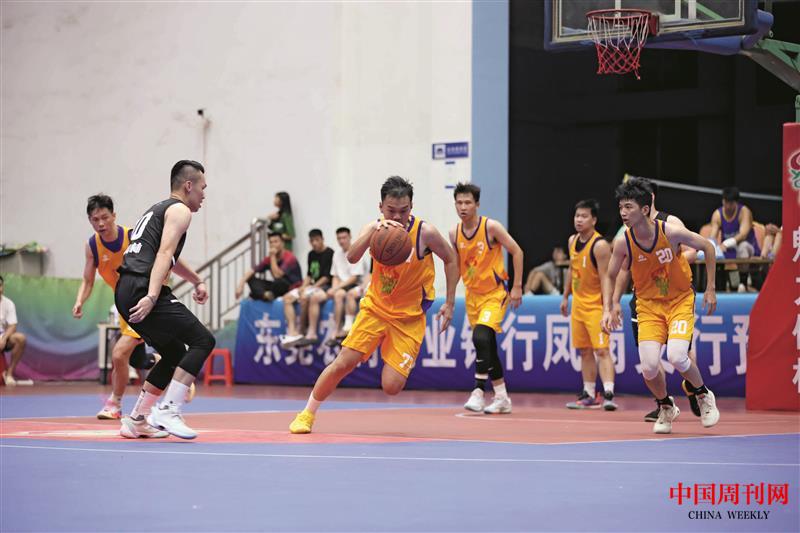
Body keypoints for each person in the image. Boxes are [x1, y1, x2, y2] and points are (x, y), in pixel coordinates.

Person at [288, 176, 459, 434]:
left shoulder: (425, 233)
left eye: (404, 211)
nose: (398, 216)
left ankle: (393, 353)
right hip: (376, 309)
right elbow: (352, 257)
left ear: (411, 207)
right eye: (391, 210)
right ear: (381, 207)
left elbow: (451, 259)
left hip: (408, 318)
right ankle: (306, 414)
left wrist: (450, 302)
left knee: (391, 387)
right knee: (342, 363)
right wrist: (372, 232)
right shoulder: (375, 229)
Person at [602, 180, 720, 434]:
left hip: (679, 300)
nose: (623, 212)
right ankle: (666, 406)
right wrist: (608, 307)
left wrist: (710, 289)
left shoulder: (671, 231)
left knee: (677, 356)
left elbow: (707, 247)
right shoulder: (623, 242)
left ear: (645, 209)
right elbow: (611, 275)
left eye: (629, 207)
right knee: (648, 367)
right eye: (621, 207)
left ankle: (703, 394)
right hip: (648, 306)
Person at [114, 160, 216, 440]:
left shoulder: (158, 209)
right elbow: (164, 254)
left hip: (125, 288)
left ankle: (137, 420)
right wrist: (152, 295)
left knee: (173, 354)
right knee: (203, 340)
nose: (204, 195)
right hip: (142, 287)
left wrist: (196, 279)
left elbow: (168, 255)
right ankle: (168, 410)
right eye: (203, 188)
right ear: (188, 185)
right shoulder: (181, 211)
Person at [72, 194, 169, 419]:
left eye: (105, 217)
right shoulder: (92, 247)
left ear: (114, 216)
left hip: (144, 303)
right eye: (95, 219)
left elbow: (160, 259)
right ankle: (170, 365)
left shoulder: (133, 237)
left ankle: (114, 404)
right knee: (135, 359)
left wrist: (156, 293)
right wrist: (79, 301)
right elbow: (88, 280)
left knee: (118, 354)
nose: (101, 223)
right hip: (124, 306)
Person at [451, 183, 523, 414]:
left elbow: (517, 251)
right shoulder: (454, 233)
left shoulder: (490, 227)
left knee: (480, 337)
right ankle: (502, 397)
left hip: (494, 294)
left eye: (468, 202)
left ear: (477, 204)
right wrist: (449, 301)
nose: (463, 207)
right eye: (459, 203)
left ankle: (478, 391)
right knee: (487, 345)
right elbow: (454, 268)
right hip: (472, 297)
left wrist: (517, 286)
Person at [560, 199, 617, 411]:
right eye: (577, 216)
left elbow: (606, 278)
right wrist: (565, 296)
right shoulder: (572, 241)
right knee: (584, 351)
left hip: (595, 306)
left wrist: (608, 307)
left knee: (602, 350)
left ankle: (609, 394)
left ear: (593, 220)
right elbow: (571, 269)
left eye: (584, 216)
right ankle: (589, 393)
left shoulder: (600, 245)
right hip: (578, 305)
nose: (579, 220)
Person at [280, 229, 334, 347]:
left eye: (317, 240)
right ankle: (292, 332)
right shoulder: (311, 254)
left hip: (323, 286)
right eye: (312, 241)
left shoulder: (330, 253)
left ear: (322, 239)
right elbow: (309, 275)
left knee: (304, 297)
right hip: (310, 286)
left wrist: (311, 288)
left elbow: (326, 277)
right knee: (287, 298)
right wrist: (303, 287)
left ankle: (302, 330)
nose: (314, 243)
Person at [708, 186, 761, 291]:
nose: (728, 206)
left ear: (736, 202)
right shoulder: (717, 214)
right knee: (714, 251)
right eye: (726, 202)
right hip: (729, 252)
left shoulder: (744, 211)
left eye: (731, 203)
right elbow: (713, 236)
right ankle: (718, 288)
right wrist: (711, 245)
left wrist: (726, 243)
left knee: (742, 247)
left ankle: (743, 283)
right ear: (723, 201)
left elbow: (743, 235)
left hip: (749, 248)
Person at [327, 227, 371, 343]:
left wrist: (336, 288)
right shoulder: (336, 254)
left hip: (358, 284)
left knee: (350, 294)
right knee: (338, 295)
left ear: (350, 237)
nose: (342, 241)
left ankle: (348, 326)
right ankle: (336, 329)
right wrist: (334, 289)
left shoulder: (357, 251)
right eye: (339, 238)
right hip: (343, 285)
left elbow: (354, 278)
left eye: (344, 237)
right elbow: (335, 275)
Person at [235, 232, 303, 302]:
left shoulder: (289, 257)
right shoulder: (269, 259)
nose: (273, 245)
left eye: (276, 242)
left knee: (279, 282)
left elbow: (277, 275)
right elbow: (252, 270)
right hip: (276, 288)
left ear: (282, 243)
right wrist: (240, 285)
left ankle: (259, 295)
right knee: (250, 278)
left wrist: (272, 256)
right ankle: (265, 295)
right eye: (271, 242)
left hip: (291, 288)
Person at [0, 276, 27, 386]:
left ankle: (9, 374)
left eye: (0, 285)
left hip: (2, 337)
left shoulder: (8, 303)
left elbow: (12, 325)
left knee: (20, 338)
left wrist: (4, 339)